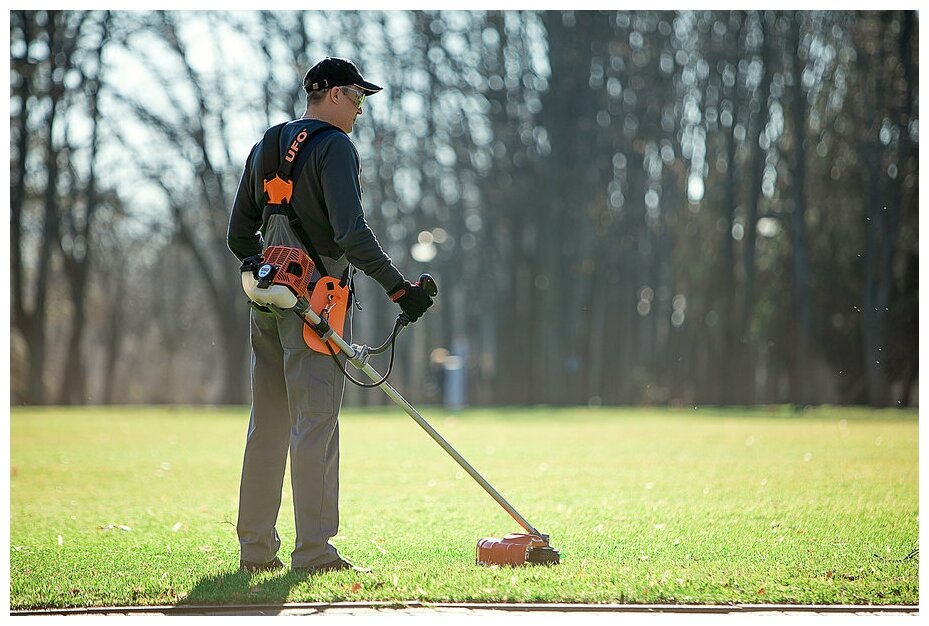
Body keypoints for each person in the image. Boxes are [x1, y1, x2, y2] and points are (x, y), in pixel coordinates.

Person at [226, 57, 433, 574]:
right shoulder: (335, 146)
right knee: (315, 425)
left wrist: (266, 266)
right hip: (316, 306)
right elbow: (350, 235)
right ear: (335, 95)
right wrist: (398, 289)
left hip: (266, 303)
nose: (361, 109)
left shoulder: (267, 143)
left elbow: (237, 236)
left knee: (268, 426)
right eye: (358, 98)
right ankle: (314, 553)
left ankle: (255, 551)